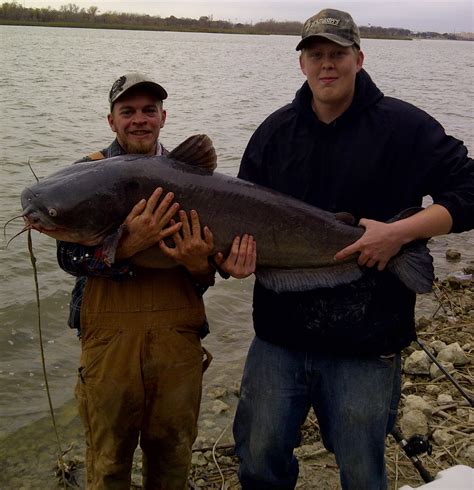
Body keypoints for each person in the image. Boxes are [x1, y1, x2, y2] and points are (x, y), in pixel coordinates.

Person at [232, 8, 474, 490]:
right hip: (279, 335)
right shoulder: (273, 133)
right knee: (258, 460)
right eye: (316, 54)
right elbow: (238, 220)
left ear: (359, 58)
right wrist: (229, 260)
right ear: (301, 64)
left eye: (337, 54)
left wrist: (400, 233)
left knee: (363, 472)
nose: (327, 65)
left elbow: (470, 188)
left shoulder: (405, 127)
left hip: (369, 339)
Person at [56, 72, 256, 489]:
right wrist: (128, 244)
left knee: (172, 459)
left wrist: (199, 264)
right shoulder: (84, 177)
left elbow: (205, 278)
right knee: (108, 462)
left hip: (176, 344)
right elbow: (68, 255)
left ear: (164, 117)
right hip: (108, 349)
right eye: (127, 111)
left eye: (149, 111)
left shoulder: (196, 178)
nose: (139, 120)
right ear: (111, 121)